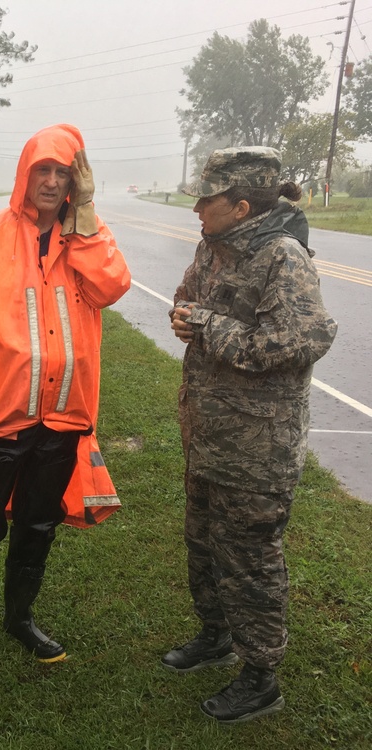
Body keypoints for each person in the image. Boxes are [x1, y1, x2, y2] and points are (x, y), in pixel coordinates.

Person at [0, 123, 131, 688]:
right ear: (25, 174)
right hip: (3, 417)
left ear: (75, 182)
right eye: (44, 170)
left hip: (64, 417)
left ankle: (19, 618)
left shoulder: (85, 238)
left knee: (38, 525)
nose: (52, 181)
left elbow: (112, 287)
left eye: (64, 173)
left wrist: (84, 217)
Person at [164, 147, 337, 723]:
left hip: (258, 449)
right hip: (209, 435)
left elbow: (297, 343)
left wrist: (207, 325)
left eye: (206, 200)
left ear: (240, 207)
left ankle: (260, 674)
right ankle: (214, 636)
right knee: (203, 544)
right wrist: (185, 313)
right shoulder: (212, 248)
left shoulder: (282, 256)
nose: (196, 208)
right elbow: (189, 298)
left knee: (250, 560)